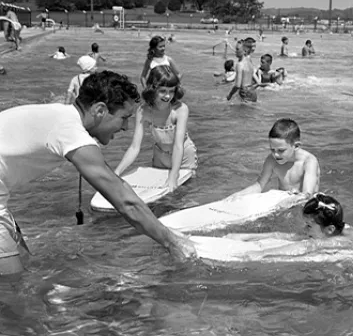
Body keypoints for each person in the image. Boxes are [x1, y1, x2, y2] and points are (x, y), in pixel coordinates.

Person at [0, 71, 196, 277]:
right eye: (124, 118)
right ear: (100, 110)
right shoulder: (69, 130)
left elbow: (118, 187)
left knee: (25, 265)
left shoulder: (60, 116)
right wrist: (171, 242)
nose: (126, 127)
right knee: (16, 290)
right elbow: (125, 202)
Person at [115, 65, 197, 192]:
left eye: (171, 91)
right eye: (163, 91)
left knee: (184, 194)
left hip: (184, 156)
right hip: (160, 156)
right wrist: (117, 172)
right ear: (152, 89)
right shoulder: (143, 111)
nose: (168, 96)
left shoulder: (180, 109)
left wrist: (173, 175)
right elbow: (134, 147)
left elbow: (178, 145)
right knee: (160, 200)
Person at [220, 193, 353, 260]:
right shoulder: (329, 227)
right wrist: (246, 237)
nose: (304, 229)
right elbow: (290, 237)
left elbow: (302, 247)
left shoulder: (335, 241)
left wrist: (261, 254)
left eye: (309, 225)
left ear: (330, 230)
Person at [227, 118, 320, 199]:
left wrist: (299, 196)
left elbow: (307, 194)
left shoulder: (309, 162)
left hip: (306, 206)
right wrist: (236, 196)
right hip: (286, 203)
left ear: (296, 146)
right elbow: (259, 185)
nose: (276, 155)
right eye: (272, 149)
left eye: (281, 150)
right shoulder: (271, 160)